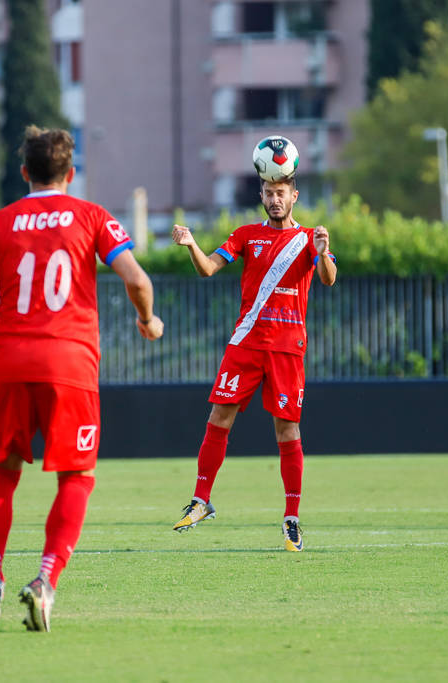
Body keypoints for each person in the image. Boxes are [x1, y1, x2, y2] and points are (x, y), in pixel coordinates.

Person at [0, 126, 163, 632]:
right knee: (77, 477)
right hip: (69, 363)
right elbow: (136, 279)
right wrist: (147, 320)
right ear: (70, 174)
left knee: (2, 471)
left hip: (9, 361)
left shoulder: (0, 222)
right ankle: (45, 581)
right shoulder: (91, 216)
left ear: (24, 172)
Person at [169, 174, 337, 552]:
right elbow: (209, 268)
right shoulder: (246, 234)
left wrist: (324, 251)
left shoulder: (311, 238)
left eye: (281, 193)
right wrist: (192, 244)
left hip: (286, 349)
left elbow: (328, 279)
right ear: (261, 195)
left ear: (294, 196)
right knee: (218, 417)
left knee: (286, 432)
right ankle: (200, 502)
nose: (275, 199)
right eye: (269, 193)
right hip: (245, 342)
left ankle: (291, 520)